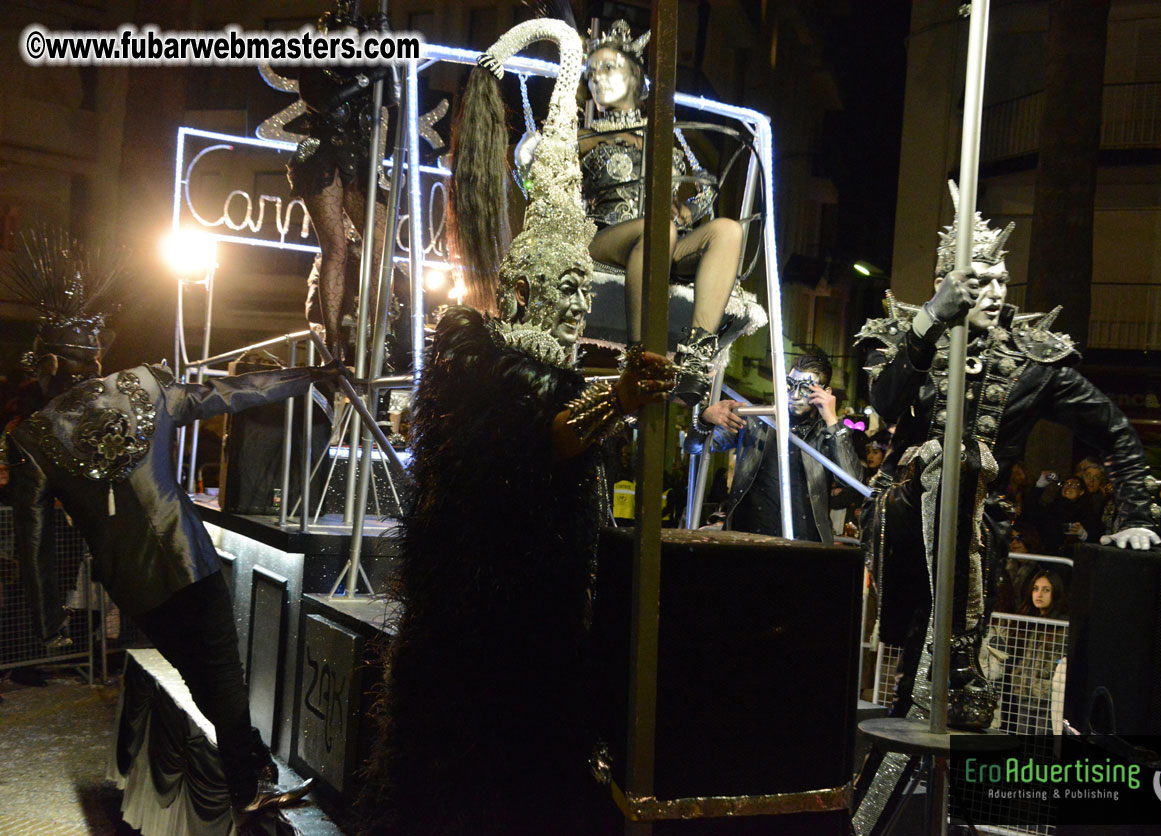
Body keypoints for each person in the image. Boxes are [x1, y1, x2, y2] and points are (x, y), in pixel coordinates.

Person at [360, 19, 674, 836]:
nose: (575, 301)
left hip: (543, 624)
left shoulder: (557, 372)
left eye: (583, 284)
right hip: (480, 633)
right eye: (560, 285)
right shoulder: (484, 361)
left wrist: (620, 400)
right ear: (527, 289)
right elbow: (541, 438)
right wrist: (620, 401)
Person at [852, 182, 1158, 832]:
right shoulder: (907, 332)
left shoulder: (1031, 359)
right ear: (943, 278)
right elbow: (879, 405)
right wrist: (931, 317)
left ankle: (935, 814)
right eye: (974, 279)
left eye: (997, 280)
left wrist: (1134, 513)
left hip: (982, 534)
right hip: (908, 520)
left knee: (952, 685)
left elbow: (1114, 430)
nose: (989, 291)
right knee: (918, 667)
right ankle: (875, 815)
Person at [0, 230, 324, 822]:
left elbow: (34, 539)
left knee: (202, 673)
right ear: (94, 356)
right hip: (189, 558)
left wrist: (48, 621)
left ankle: (249, 768)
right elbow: (230, 393)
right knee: (219, 670)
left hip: (135, 585)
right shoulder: (143, 386)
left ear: (45, 365)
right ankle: (248, 782)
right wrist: (305, 377)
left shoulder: (33, 437)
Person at [577, 20, 743, 406]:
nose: (598, 78)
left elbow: (703, 187)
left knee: (728, 230)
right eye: (592, 71)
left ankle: (696, 355)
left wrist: (688, 209)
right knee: (660, 231)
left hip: (659, 239)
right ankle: (638, 358)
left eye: (608, 67)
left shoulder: (664, 136)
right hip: (605, 238)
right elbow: (536, 178)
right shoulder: (583, 137)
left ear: (635, 76)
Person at [286, 1, 413, 365]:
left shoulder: (365, 63)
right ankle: (332, 339)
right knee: (336, 248)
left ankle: (378, 335)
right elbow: (323, 100)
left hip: (360, 159)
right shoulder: (315, 66)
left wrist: (387, 60)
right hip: (322, 156)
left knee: (379, 248)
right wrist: (366, 77)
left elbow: (394, 96)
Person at [684, 354, 859, 545]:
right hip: (749, 540)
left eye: (806, 389)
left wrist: (832, 421)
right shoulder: (757, 420)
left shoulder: (828, 433)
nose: (796, 395)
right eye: (791, 385)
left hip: (806, 544)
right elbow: (694, 447)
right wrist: (704, 418)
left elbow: (851, 481)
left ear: (825, 393)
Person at [1006, 568, 1068, 735]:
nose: (1039, 594)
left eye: (1046, 590)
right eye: (1035, 588)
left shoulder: (1062, 628)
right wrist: (1018, 677)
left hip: (1046, 699)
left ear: (1055, 592)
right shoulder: (1031, 621)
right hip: (1024, 695)